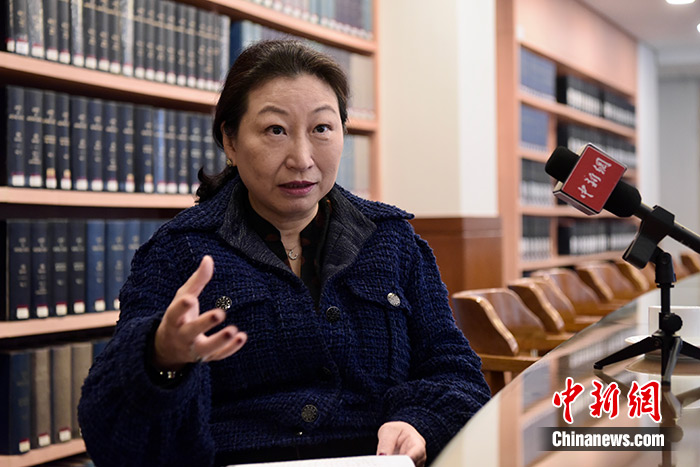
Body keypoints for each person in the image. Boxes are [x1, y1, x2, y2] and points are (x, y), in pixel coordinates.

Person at [78, 39, 491, 467]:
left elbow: (457, 373)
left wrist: (418, 422)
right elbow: (107, 430)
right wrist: (160, 358)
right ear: (230, 141)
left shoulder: (392, 240)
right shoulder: (177, 252)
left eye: (321, 128)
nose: (301, 158)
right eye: (275, 130)